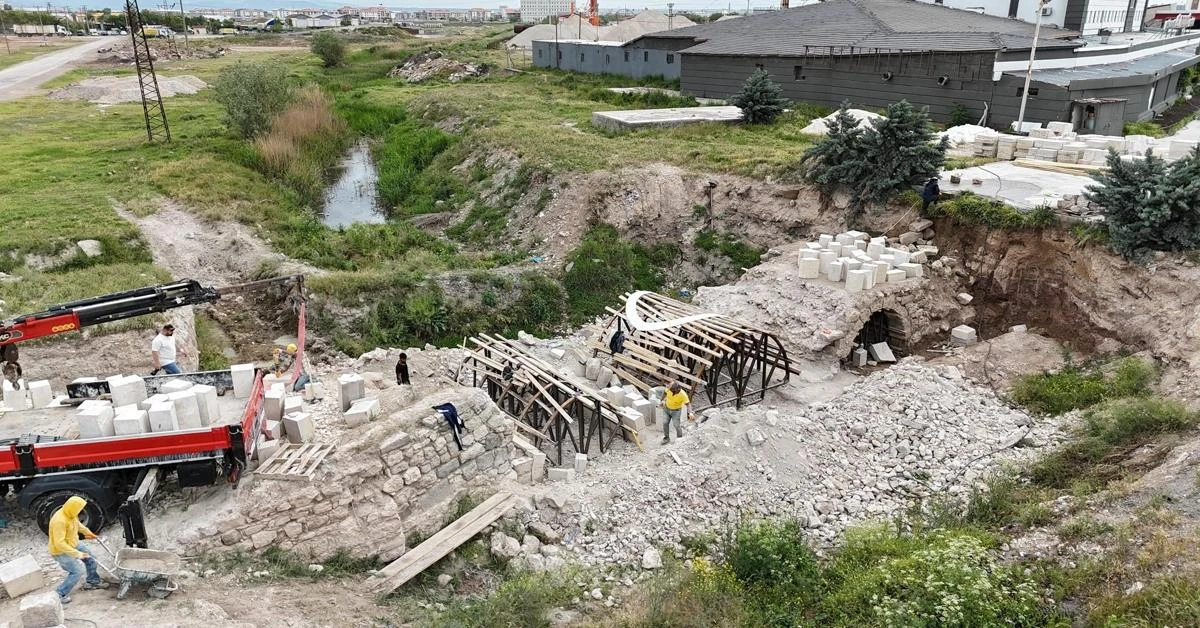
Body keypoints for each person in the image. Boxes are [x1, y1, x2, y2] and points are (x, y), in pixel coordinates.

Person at [49, 496, 108, 604]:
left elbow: (78, 525)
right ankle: (59, 594)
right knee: (76, 571)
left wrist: (88, 533)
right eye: (79, 509)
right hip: (61, 551)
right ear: (72, 507)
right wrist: (78, 554)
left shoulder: (70, 513)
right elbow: (59, 543)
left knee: (91, 559)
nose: (79, 511)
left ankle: (92, 581)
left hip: (73, 543)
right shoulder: (59, 521)